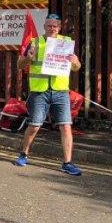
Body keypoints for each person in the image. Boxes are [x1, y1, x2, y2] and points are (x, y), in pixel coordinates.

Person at [15, 14, 83, 176]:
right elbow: (19, 64)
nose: (52, 28)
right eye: (49, 26)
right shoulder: (35, 42)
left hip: (60, 91)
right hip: (40, 91)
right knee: (34, 126)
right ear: (44, 26)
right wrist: (28, 59)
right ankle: (23, 154)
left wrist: (75, 62)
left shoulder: (66, 43)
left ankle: (67, 163)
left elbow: (76, 67)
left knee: (66, 126)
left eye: (55, 26)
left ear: (59, 27)